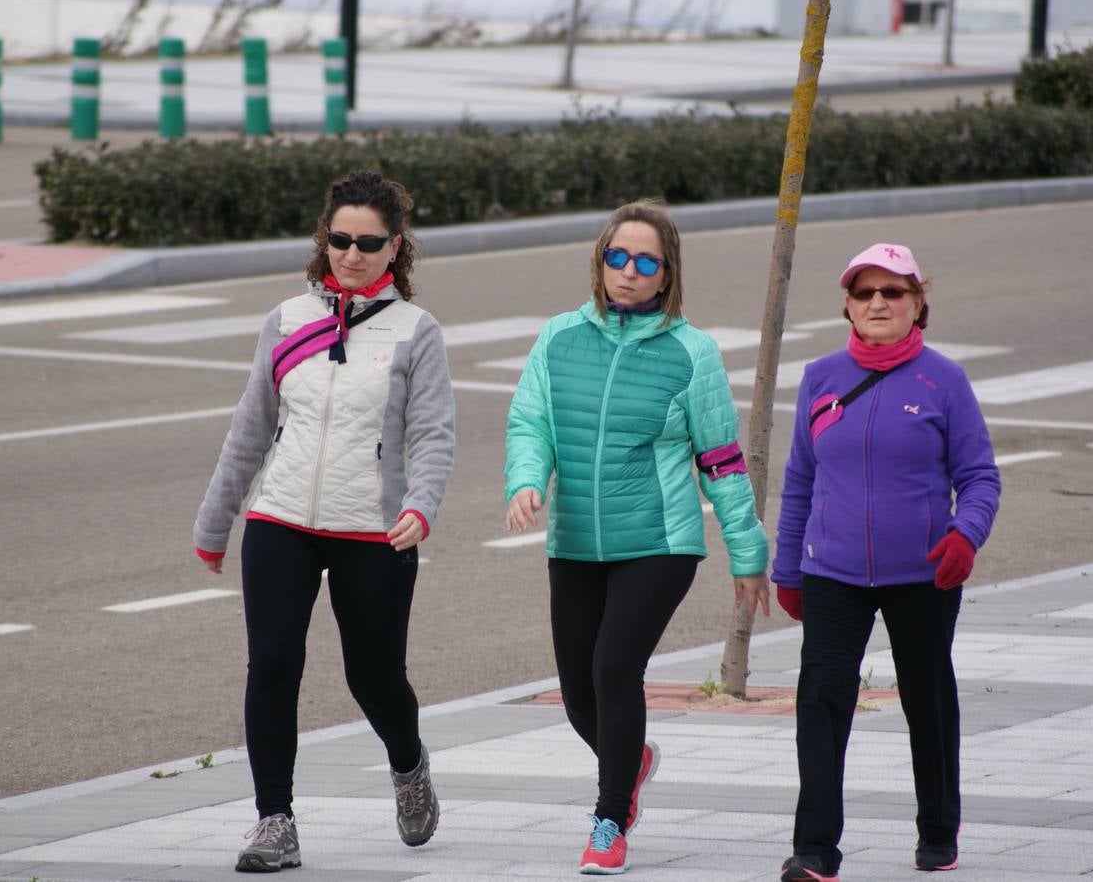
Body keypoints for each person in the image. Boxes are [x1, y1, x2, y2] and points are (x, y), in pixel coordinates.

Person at [193, 171, 455, 873]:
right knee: (273, 664)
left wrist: (419, 507)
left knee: (373, 677)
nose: (352, 253)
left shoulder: (415, 332)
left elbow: (433, 435)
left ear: (395, 247)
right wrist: (215, 522)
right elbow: (252, 425)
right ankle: (274, 822)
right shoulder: (285, 319)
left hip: (375, 528)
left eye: (369, 243)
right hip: (281, 520)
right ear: (325, 238)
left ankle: (407, 763)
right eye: (340, 239)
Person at [504, 199, 770, 876]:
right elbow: (530, 421)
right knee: (577, 694)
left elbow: (721, 459)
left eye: (644, 261)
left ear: (666, 274)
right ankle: (635, 760)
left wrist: (747, 552)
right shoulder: (559, 338)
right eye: (617, 256)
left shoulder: (692, 353)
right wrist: (527, 480)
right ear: (600, 261)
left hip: (660, 542)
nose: (628, 271)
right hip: (575, 542)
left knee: (615, 668)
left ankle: (608, 820)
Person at [773, 243, 1001, 882]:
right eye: (865, 292)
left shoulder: (944, 380)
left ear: (917, 304)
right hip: (831, 573)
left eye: (893, 292)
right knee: (820, 700)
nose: (878, 302)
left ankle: (938, 829)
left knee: (926, 697)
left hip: (923, 573)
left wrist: (965, 536)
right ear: (846, 304)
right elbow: (799, 481)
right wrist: (787, 568)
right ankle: (814, 849)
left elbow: (980, 477)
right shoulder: (820, 377)